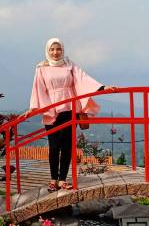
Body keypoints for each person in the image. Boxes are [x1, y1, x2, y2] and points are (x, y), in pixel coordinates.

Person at [27, 38, 117, 191]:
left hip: (70, 109)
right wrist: (33, 107)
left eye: (58, 49)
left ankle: (62, 180)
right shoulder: (41, 68)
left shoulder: (69, 65)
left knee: (67, 145)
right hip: (52, 110)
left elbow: (83, 79)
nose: (56, 53)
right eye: (52, 49)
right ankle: (53, 179)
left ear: (63, 50)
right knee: (54, 146)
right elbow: (38, 89)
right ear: (47, 51)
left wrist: (103, 87)